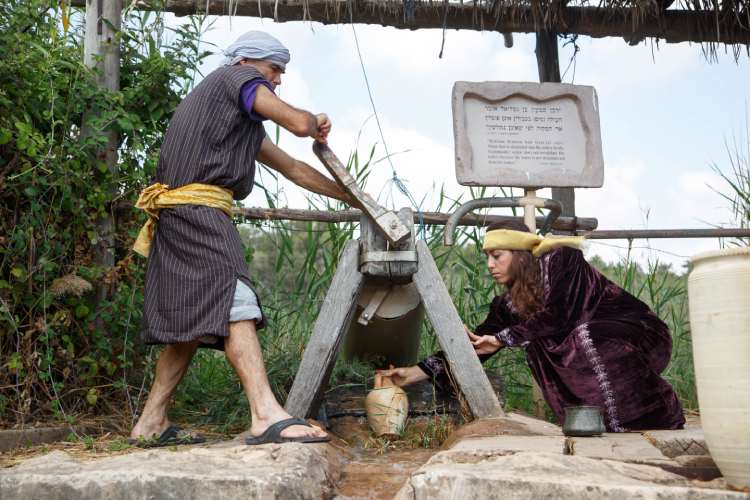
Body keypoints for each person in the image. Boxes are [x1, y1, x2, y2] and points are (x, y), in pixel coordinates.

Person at [130, 31, 356, 446]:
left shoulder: (235, 119)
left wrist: (352, 196)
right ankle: (265, 414)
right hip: (198, 212)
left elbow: (292, 168)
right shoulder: (233, 81)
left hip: (188, 213)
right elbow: (295, 122)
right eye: (275, 70)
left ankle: (150, 422)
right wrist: (312, 121)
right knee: (235, 301)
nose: (279, 80)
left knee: (191, 323)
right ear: (248, 63)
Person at [379, 222, 685, 432]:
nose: (489, 265)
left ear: (521, 255)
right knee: (539, 346)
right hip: (590, 342)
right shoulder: (507, 305)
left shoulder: (563, 259)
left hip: (640, 334)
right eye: (487, 257)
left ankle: (657, 411)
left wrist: (503, 338)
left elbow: (562, 315)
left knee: (578, 334)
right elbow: (476, 347)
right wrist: (414, 373)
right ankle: (596, 420)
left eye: (497, 256)